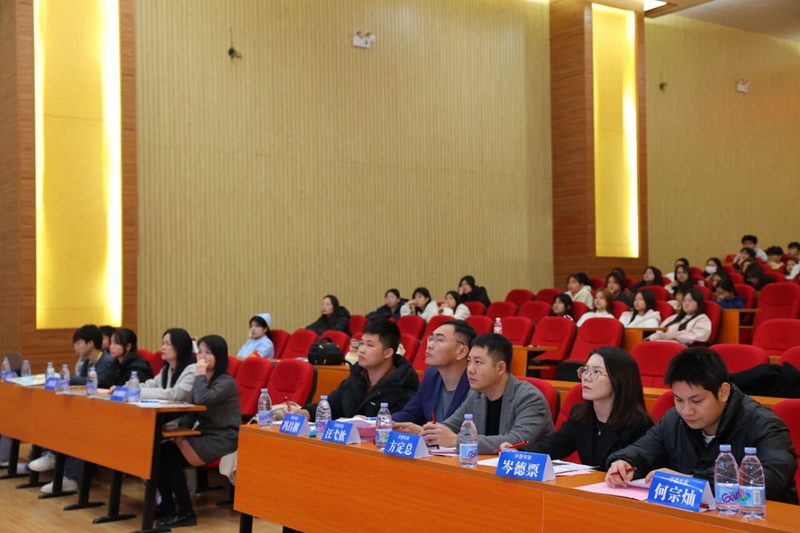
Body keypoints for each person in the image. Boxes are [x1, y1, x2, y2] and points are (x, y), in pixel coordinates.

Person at [606, 348, 797, 504]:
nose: (686, 410)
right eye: (678, 400)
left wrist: (689, 481)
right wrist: (624, 463)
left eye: (696, 401)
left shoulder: (763, 425)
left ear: (723, 392)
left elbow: (772, 478)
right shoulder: (673, 420)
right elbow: (642, 450)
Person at [501, 347, 652, 469]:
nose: (586, 377)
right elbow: (555, 445)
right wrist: (518, 452)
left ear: (619, 380)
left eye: (597, 372)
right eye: (585, 370)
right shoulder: (581, 414)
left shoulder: (639, 425)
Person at [156, 335, 240, 528]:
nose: (202, 357)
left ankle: (186, 512)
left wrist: (200, 373)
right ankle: (167, 506)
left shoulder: (225, 382)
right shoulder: (201, 380)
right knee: (160, 452)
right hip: (204, 434)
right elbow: (193, 410)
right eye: (200, 352)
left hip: (223, 438)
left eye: (208, 353)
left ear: (219, 356)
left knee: (169, 458)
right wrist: (179, 430)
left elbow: (202, 399)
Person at [419, 333, 554, 454]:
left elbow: (517, 441)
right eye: (469, 362)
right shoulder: (475, 395)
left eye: (478, 362)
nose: (470, 369)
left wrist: (457, 440)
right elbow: (452, 424)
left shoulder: (529, 397)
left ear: (500, 368)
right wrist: (427, 432)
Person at [281, 318, 419, 422]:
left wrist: (364, 423)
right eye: (361, 343)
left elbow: (398, 425)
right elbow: (331, 406)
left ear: (388, 353)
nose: (362, 350)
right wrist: (304, 413)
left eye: (370, 345)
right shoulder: (356, 378)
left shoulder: (403, 386)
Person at [392, 320, 475, 432]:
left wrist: (423, 432)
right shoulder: (431, 376)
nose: (429, 345)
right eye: (430, 339)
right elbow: (410, 414)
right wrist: (382, 421)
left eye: (439, 340)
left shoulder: (476, 384)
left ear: (462, 352)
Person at [140, 328, 196, 401]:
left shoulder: (192, 370)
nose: (163, 348)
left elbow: (175, 394)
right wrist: (133, 387)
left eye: (168, 344)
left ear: (180, 346)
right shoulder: (167, 368)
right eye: (163, 344)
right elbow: (152, 385)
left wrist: (139, 392)